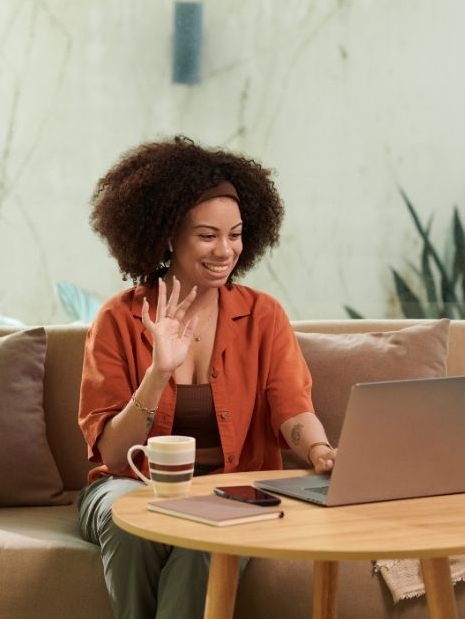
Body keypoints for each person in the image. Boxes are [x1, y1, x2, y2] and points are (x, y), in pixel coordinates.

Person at [77, 136, 337, 619]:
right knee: (130, 523)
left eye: (235, 234)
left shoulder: (263, 315)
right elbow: (114, 455)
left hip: (231, 489)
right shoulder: (118, 319)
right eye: (207, 235)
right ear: (166, 236)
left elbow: (293, 408)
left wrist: (320, 451)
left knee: (206, 536)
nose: (226, 250)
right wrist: (158, 373)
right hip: (128, 485)